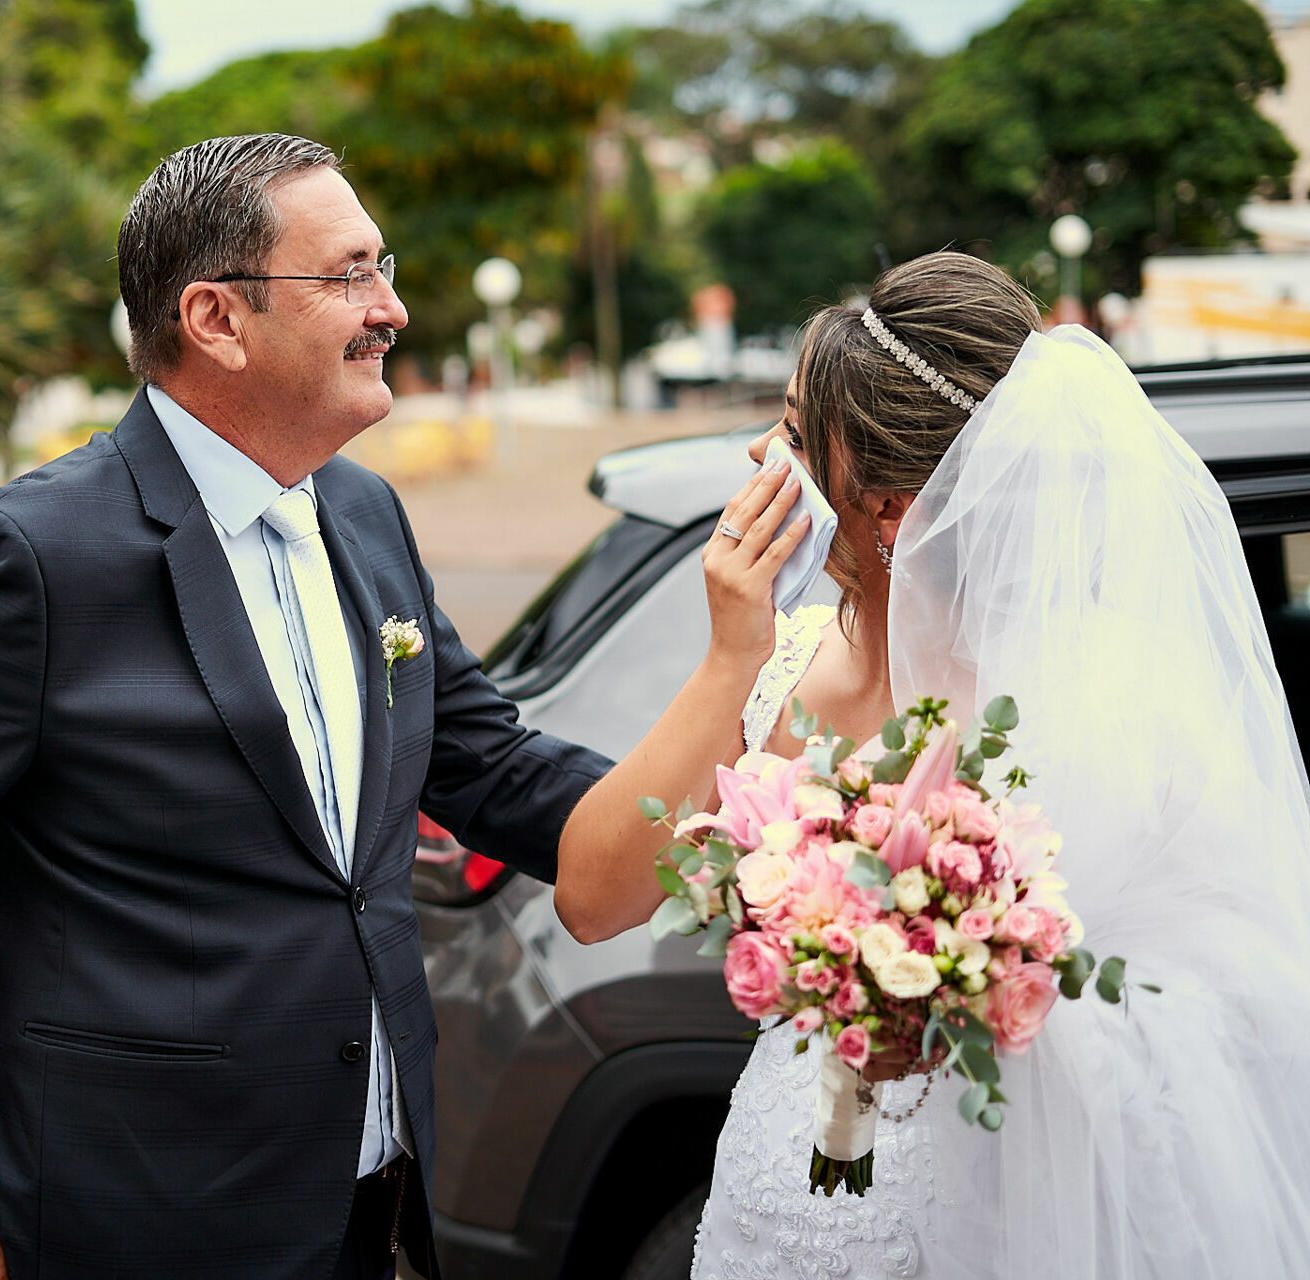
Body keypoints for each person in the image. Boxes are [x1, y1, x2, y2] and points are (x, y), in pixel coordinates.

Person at [0, 134, 619, 1280]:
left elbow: (492, 767)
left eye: (382, 264)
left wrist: (755, 814)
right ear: (217, 318)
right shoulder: (29, 560)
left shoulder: (362, 514)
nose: (392, 306)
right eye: (349, 273)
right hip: (135, 1219)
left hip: (374, 1199)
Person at [558, 251, 1310, 1276]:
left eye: (788, 432)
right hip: (788, 1174)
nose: (756, 455)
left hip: (986, 1209)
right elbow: (594, 897)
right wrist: (730, 654)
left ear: (888, 506)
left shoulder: (1099, 705)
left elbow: (1213, 1014)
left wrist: (953, 985)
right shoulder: (778, 656)